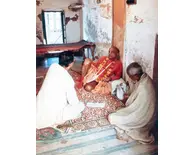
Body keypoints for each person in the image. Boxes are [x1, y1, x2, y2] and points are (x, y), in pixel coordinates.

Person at [108, 62, 156, 144]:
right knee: (118, 111)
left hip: (144, 118)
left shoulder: (144, 87)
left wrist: (127, 101)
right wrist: (129, 98)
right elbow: (136, 96)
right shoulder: (144, 78)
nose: (130, 78)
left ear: (136, 75)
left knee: (112, 117)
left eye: (130, 77)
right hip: (140, 110)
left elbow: (137, 109)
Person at [36, 52, 85, 130]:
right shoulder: (68, 79)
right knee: (81, 106)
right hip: (52, 117)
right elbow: (73, 102)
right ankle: (56, 121)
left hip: (37, 111)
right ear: (71, 63)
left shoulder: (53, 66)